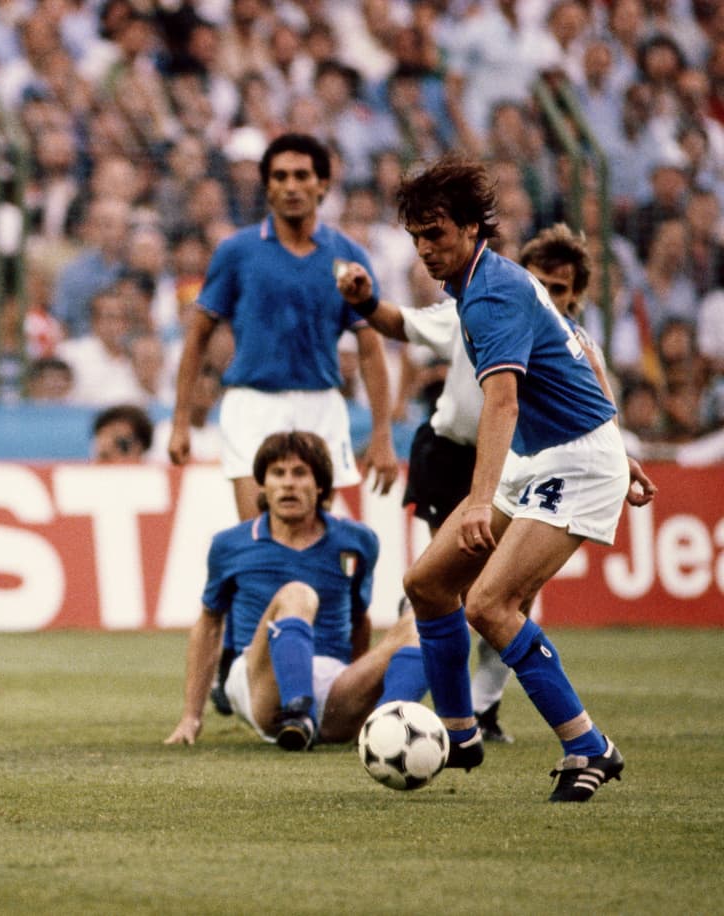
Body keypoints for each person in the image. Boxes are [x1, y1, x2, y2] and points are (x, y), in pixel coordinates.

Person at [341, 157, 655, 802]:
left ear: (470, 228)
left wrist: (481, 499)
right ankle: (460, 732)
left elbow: (504, 403)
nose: (427, 249)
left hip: (573, 461)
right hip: (550, 457)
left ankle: (588, 746)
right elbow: (575, 349)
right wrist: (620, 445)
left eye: (437, 234)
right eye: (418, 237)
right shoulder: (483, 285)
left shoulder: (491, 293)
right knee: (427, 584)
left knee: (489, 605)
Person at [168, 133, 399, 523]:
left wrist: (382, 434)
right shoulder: (237, 252)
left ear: (322, 184)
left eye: (301, 175)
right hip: (253, 405)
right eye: (280, 177)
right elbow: (197, 336)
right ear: (267, 187)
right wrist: (179, 423)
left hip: (321, 405)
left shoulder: (347, 256)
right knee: (258, 539)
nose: (291, 186)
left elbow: (370, 346)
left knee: (312, 541)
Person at [163, 430, 429, 750]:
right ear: (263, 485)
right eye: (278, 473)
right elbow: (208, 624)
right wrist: (192, 716)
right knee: (297, 594)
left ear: (320, 485)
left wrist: (359, 681)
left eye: (300, 473)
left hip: (333, 682)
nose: (288, 483)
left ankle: (388, 726)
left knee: (421, 621)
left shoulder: (357, 541)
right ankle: (297, 712)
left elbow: (359, 620)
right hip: (260, 679)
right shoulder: (230, 545)